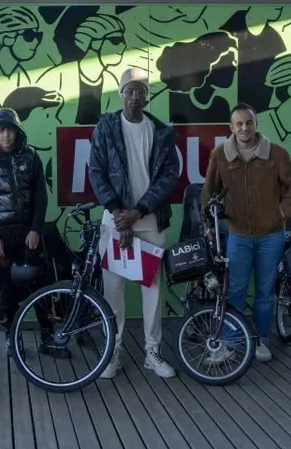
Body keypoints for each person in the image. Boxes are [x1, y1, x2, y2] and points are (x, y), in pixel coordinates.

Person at [88, 67, 180, 379]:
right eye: (130, 90)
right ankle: (112, 352)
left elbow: (169, 176)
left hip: (150, 220)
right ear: (121, 93)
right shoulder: (106, 127)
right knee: (112, 290)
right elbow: (96, 171)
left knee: (152, 289)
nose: (135, 96)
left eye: (141, 90)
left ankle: (152, 352)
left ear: (147, 95)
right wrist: (119, 214)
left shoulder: (162, 132)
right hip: (115, 221)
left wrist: (138, 212)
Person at [201, 103, 291, 363]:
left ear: (256, 123)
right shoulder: (220, 155)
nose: (244, 128)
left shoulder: (276, 154)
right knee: (234, 291)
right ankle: (230, 342)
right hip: (238, 235)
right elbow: (208, 192)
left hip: (271, 235)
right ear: (231, 127)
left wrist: (282, 212)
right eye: (239, 123)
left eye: (249, 122)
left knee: (264, 292)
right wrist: (207, 225)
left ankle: (260, 341)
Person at [0, 108, 64, 357]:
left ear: (17, 132)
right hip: (3, 237)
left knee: (42, 287)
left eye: (10, 129)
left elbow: (40, 197)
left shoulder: (31, 158)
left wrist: (36, 229)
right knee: (8, 292)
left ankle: (48, 338)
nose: (6, 135)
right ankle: (14, 340)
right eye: (1, 130)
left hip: (30, 234)